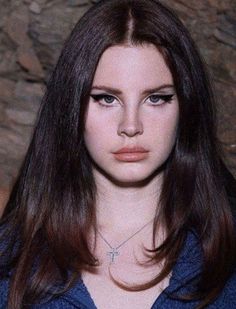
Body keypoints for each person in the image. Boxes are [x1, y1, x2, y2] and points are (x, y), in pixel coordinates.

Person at [0, 0, 235, 308]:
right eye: (106, 98)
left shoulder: (227, 250)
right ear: (72, 106)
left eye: (156, 98)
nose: (131, 125)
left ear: (186, 106)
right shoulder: (11, 258)